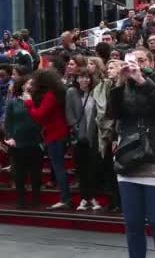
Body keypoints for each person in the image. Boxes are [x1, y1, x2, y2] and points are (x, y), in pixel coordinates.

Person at [107, 47, 155, 258]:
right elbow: (114, 113)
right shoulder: (123, 85)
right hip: (129, 159)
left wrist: (143, 81)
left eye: (141, 60)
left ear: (151, 63)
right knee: (133, 223)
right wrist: (120, 82)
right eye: (132, 60)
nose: (136, 64)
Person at [26, 69, 71, 210]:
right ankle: (65, 198)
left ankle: (65, 199)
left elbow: (40, 116)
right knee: (58, 166)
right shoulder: (58, 93)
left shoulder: (50, 96)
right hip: (59, 132)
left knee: (58, 167)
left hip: (55, 134)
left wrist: (29, 103)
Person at [4, 75, 44, 209]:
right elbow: (8, 122)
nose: (31, 87)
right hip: (18, 142)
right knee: (20, 173)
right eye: (29, 84)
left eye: (33, 84)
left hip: (35, 142)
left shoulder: (38, 100)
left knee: (36, 173)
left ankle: (36, 200)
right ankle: (21, 199)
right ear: (22, 86)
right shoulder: (13, 102)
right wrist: (9, 137)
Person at [66, 70, 103, 211]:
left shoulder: (95, 93)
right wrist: (74, 127)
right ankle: (83, 198)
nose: (84, 80)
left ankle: (92, 197)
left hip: (93, 137)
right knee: (81, 169)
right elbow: (69, 113)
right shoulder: (71, 92)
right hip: (78, 138)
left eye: (87, 77)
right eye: (81, 77)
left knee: (92, 169)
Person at [92, 60, 122, 212]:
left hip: (117, 131)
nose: (108, 70)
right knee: (108, 168)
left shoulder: (121, 87)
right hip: (105, 131)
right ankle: (113, 201)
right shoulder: (105, 87)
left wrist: (115, 135)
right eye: (108, 67)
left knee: (116, 169)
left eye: (112, 67)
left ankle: (119, 202)